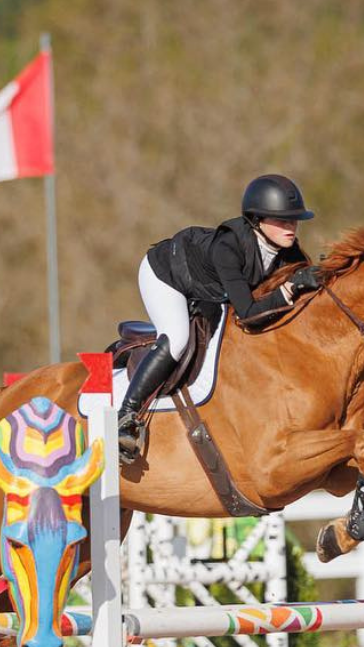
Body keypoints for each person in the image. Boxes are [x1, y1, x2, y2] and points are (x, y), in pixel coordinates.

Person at [118, 173, 323, 463]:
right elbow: (249, 313)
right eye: (282, 220)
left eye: (293, 220)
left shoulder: (286, 252)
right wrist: (290, 287)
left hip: (209, 291)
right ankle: (126, 415)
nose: (291, 227)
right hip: (166, 275)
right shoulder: (229, 248)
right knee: (177, 339)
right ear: (257, 221)